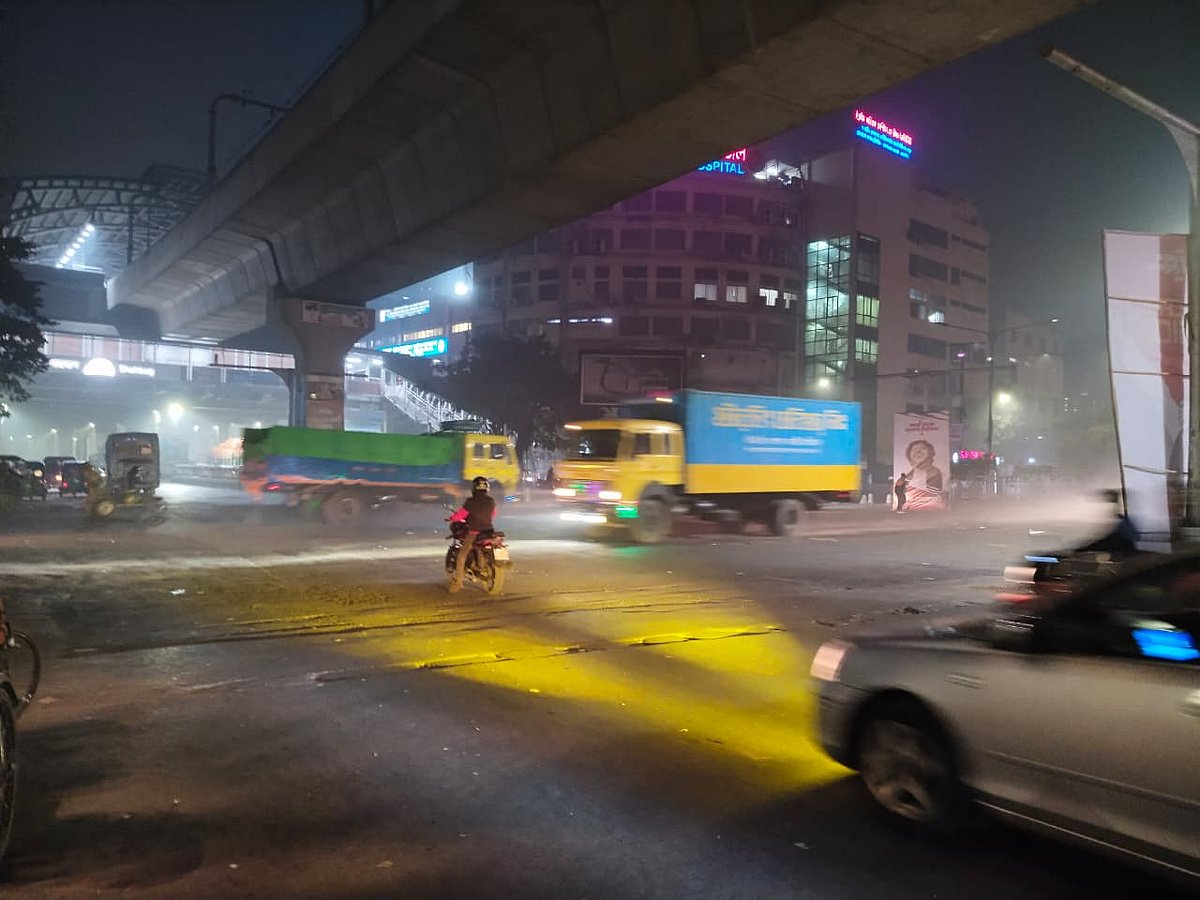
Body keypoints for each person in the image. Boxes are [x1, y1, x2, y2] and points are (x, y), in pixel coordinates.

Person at [448, 476, 497, 592]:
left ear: (474, 488)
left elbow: (460, 515)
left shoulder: (470, 502)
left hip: (474, 532)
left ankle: (458, 583)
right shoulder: (491, 501)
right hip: (489, 532)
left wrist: (452, 518)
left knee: (461, 556)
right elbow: (493, 514)